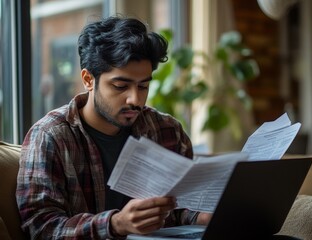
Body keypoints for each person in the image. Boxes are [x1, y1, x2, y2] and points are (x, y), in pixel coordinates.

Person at [16, 16, 212, 239]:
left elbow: (180, 209)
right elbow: (40, 227)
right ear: (88, 80)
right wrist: (115, 224)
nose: (135, 99)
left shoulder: (167, 130)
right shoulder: (50, 136)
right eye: (121, 86)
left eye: (143, 86)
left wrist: (202, 216)